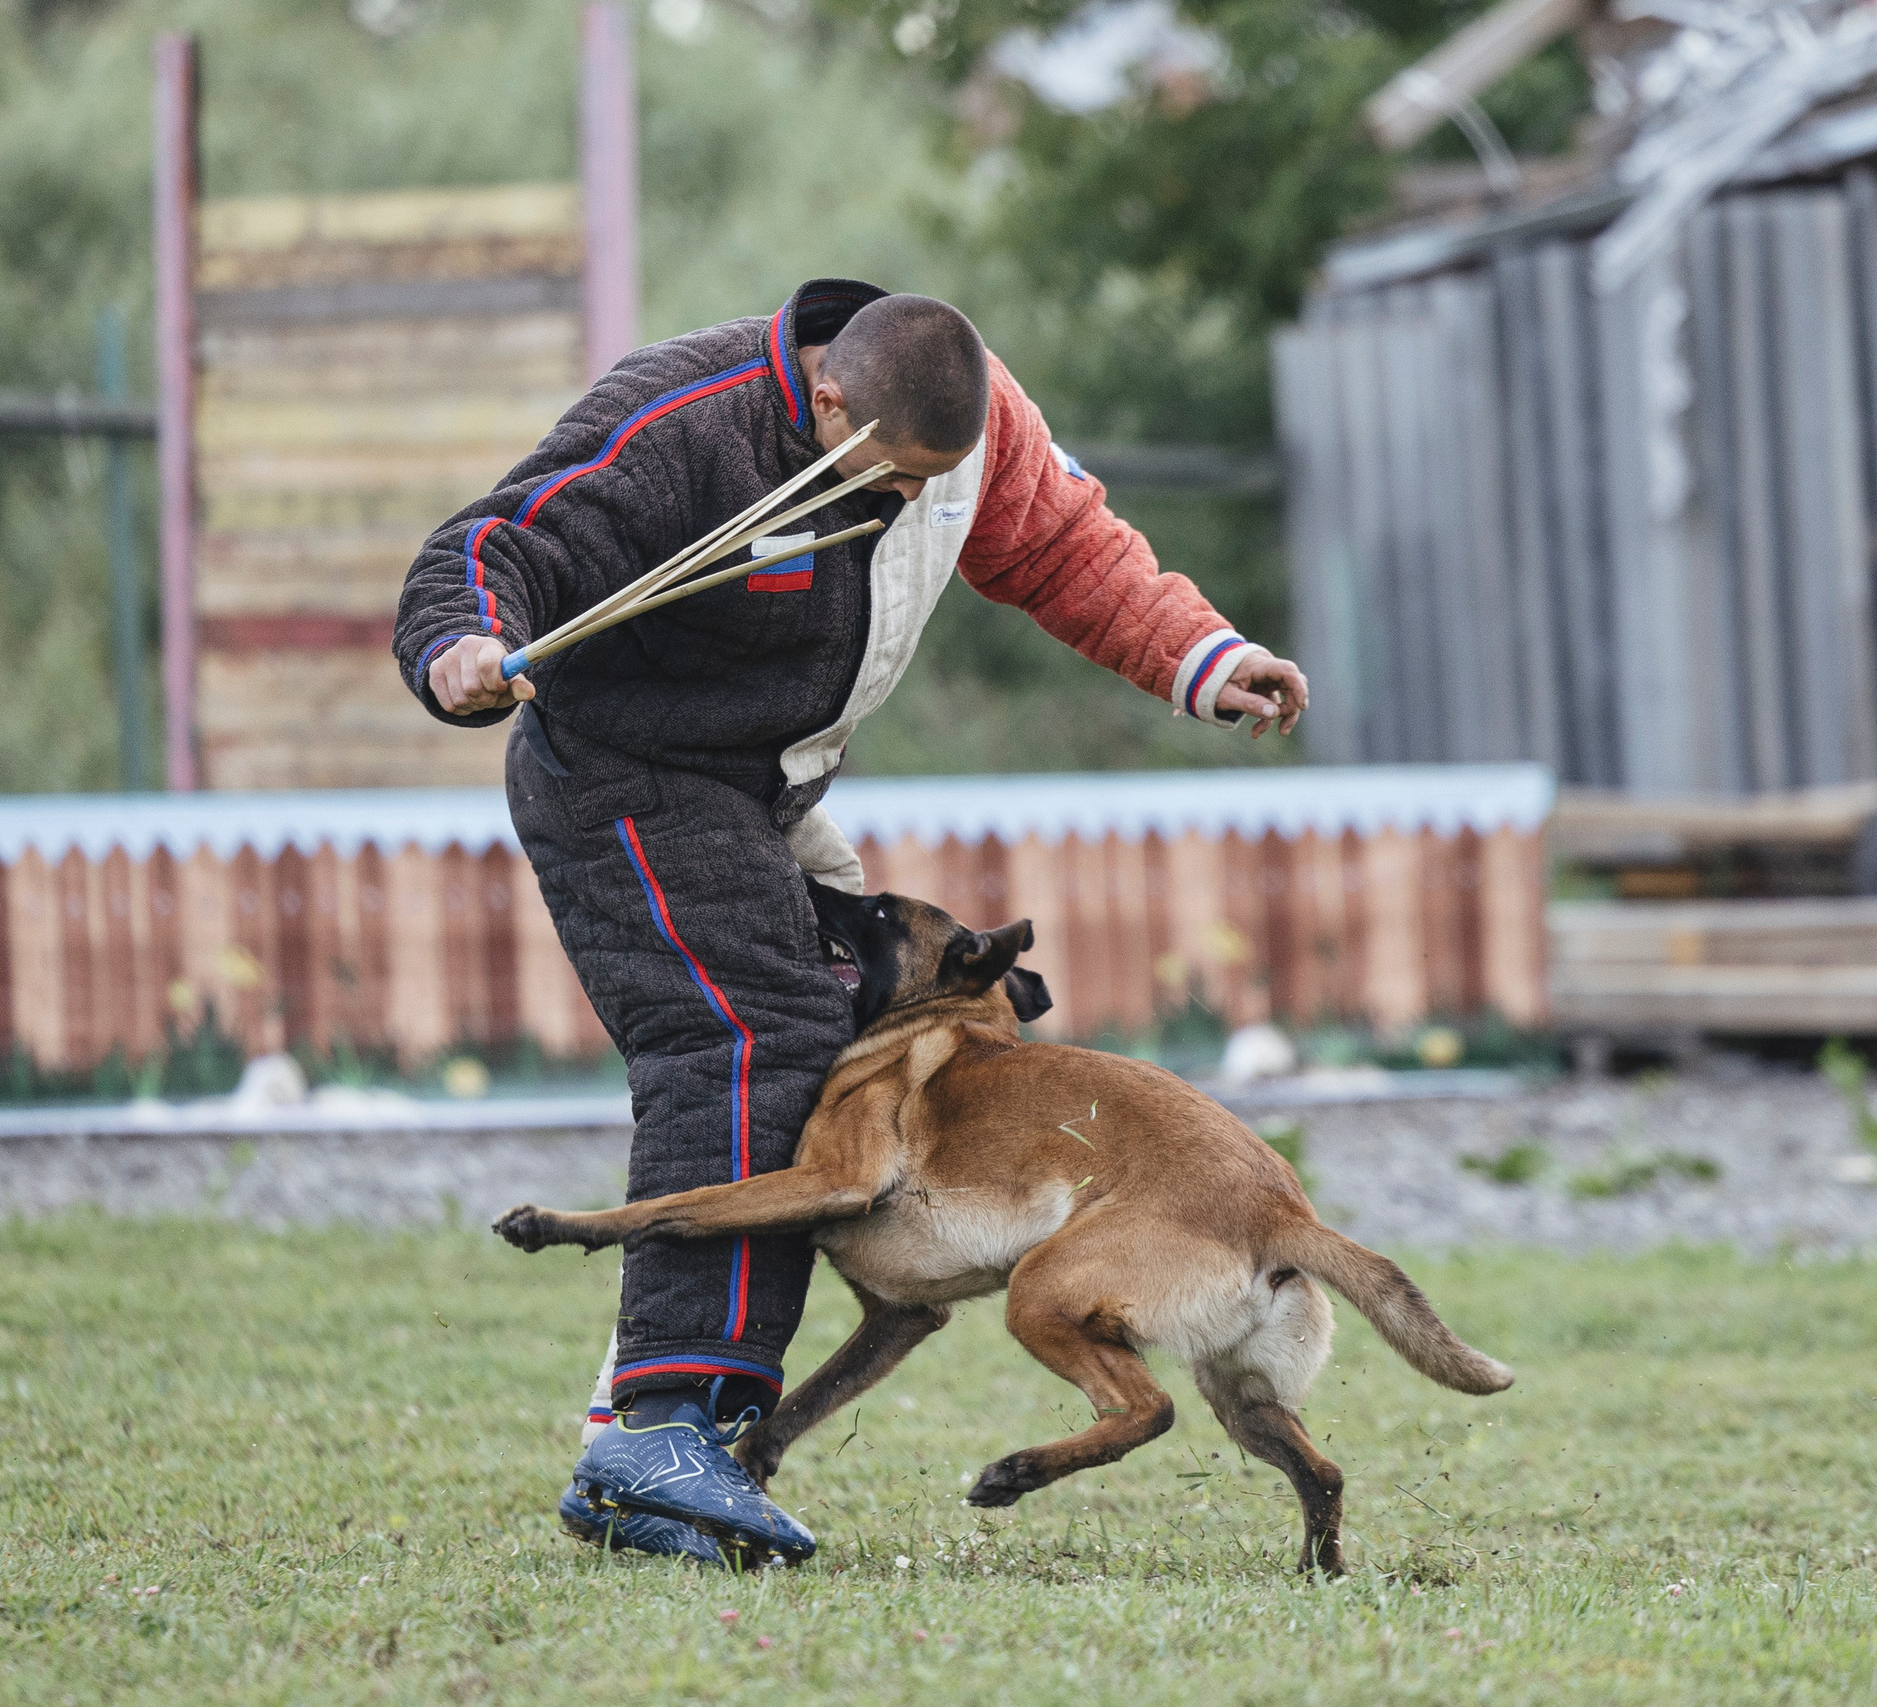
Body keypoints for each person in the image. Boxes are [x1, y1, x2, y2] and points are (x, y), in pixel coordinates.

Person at [395, 278, 1307, 1565]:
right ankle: (667, 1427)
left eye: (932, 482)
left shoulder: (975, 430)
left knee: (843, 1054)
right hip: (626, 776)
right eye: (885, 476)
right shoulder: (684, 420)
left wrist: (1204, 659)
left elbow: (1066, 553)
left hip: (774, 784)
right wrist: (460, 646)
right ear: (823, 396)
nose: (904, 501)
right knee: (747, 1036)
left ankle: (648, 1415)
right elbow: (495, 544)